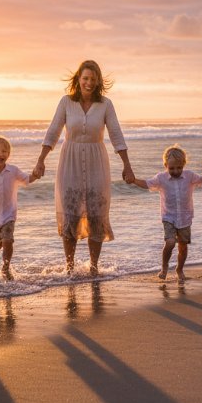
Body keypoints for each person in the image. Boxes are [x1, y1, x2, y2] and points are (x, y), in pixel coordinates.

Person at [33, 60, 134, 276]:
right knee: (71, 214)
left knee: (97, 214)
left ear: (98, 81)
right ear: (78, 79)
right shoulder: (66, 102)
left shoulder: (106, 104)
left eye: (93, 79)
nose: (89, 82)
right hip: (70, 162)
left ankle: (94, 267)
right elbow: (53, 131)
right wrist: (41, 159)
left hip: (97, 161)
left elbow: (116, 134)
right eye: (85, 78)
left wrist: (127, 165)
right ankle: (69, 267)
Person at [128, 144, 202, 282]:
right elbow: (147, 184)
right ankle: (164, 267)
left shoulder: (189, 176)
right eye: (171, 168)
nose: (176, 171)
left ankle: (179, 269)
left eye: (179, 168)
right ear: (165, 165)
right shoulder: (161, 178)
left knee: (183, 247)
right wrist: (134, 180)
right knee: (170, 242)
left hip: (185, 217)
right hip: (168, 217)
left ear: (183, 164)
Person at [0, 135, 39, 279]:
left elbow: (27, 179)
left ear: (8, 154)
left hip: (8, 215)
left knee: (8, 241)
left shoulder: (13, 171)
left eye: (4, 151)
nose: (0, 154)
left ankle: (6, 268)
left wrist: (35, 174)